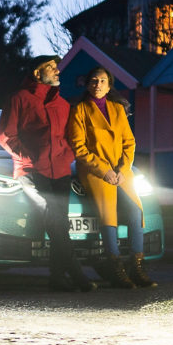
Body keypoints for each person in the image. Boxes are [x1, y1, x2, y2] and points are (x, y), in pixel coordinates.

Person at [0, 55, 96, 292]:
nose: (57, 71)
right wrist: (30, 158)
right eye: (50, 67)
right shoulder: (19, 99)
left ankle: (57, 278)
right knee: (54, 218)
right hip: (31, 172)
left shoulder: (62, 104)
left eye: (56, 67)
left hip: (61, 171)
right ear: (37, 73)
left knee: (59, 223)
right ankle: (77, 272)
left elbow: (70, 138)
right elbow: (6, 136)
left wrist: (67, 156)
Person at [66, 66, 156, 289]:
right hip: (95, 171)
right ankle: (116, 268)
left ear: (109, 86)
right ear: (87, 85)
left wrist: (123, 169)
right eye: (94, 80)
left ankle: (136, 267)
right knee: (108, 215)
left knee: (135, 210)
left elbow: (129, 142)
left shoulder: (117, 109)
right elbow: (79, 148)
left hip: (121, 171)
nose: (98, 84)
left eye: (103, 81)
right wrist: (105, 171)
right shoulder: (79, 110)